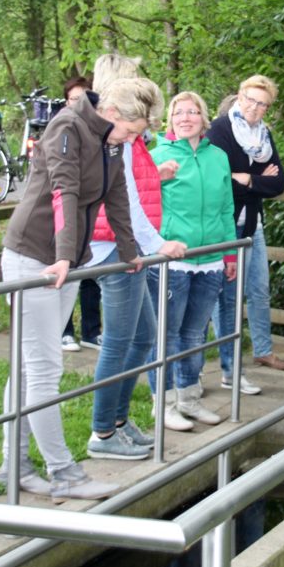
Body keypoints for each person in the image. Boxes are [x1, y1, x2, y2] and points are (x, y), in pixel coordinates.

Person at [0, 77, 159, 503]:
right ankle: (63, 472)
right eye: (130, 131)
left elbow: (117, 196)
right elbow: (63, 191)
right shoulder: (66, 128)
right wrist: (66, 255)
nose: (131, 139)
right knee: (44, 369)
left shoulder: (111, 140)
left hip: (67, 262)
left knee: (31, 369)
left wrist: (130, 252)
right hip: (35, 257)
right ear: (112, 113)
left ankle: (13, 464)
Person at [84, 55, 188, 456]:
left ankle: (118, 420)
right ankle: (102, 433)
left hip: (127, 245)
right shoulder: (117, 136)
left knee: (142, 336)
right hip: (115, 246)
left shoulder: (127, 136)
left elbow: (135, 187)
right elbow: (122, 198)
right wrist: (155, 243)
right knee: (119, 341)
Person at [148, 91, 236, 429]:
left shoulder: (219, 157)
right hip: (174, 259)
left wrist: (229, 253)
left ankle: (189, 398)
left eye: (192, 112)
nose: (185, 118)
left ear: (204, 117)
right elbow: (142, 205)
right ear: (169, 119)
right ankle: (164, 403)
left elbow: (227, 208)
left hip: (211, 258)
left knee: (195, 333)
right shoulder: (156, 156)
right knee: (167, 334)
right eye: (178, 112)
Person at [208, 74, 284, 397]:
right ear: (240, 97)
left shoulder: (263, 136)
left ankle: (260, 350)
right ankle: (226, 369)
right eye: (251, 100)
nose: (255, 108)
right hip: (226, 225)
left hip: (252, 223)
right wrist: (255, 178)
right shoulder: (220, 129)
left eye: (263, 104)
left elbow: (279, 183)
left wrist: (248, 178)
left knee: (259, 287)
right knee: (227, 297)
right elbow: (219, 179)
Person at [58, 75, 102, 353]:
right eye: (75, 99)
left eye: (85, 98)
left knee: (90, 277)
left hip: (90, 218)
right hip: (64, 218)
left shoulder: (97, 133)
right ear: (66, 102)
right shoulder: (61, 129)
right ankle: (64, 331)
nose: (80, 104)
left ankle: (91, 331)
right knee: (65, 274)